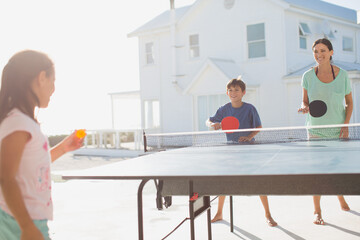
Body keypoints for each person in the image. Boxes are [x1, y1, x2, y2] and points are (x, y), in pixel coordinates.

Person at [0, 50, 85, 240]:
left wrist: (63, 148)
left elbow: (32, 168)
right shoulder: (18, 123)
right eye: (52, 81)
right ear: (41, 78)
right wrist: (27, 227)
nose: (54, 89)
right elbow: (6, 178)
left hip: (27, 220)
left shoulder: (24, 122)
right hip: (20, 222)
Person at [206, 78, 277, 227]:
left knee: (258, 182)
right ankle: (219, 213)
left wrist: (249, 137)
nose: (233, 93)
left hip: (249, 150)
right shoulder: (224, 109)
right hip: (230, 151)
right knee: (224, 183)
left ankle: (268, 214)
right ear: (227, 92)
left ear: (243, 92)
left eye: (237, 90)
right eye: (230, 90)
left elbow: (258, 126)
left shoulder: (250, 108)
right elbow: (208, 121)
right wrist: (213, 124)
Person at [298, 38, 353, 225]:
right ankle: (317, 211)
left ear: (331, 52)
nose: (319, 54)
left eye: (322, 50)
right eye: (315, 51)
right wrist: (304, 107)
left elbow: (350, 103)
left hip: (338, 131)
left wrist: (345, 126)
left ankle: (340, 197)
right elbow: (304, 101)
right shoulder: (307, 76)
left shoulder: (343, 75)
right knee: (318, 172)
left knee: (336, 170)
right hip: (315, 132)